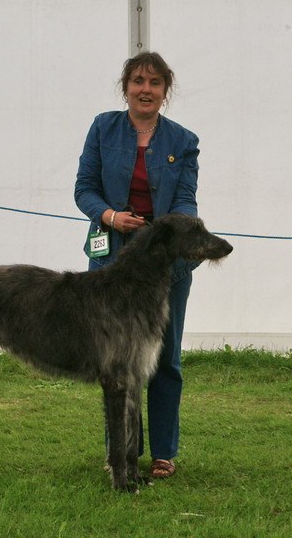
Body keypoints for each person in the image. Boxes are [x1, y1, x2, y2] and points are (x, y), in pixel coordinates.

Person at [75, 52, 200, 480]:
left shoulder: (183, 141)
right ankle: (120, 452)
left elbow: (185, 199)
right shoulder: (102, 127)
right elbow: (84, 189)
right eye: (138, 81)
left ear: (166, 90)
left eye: (155, 83)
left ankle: (163, 452)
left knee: (165, 359)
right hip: (110, 261)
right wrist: (109, 216)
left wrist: (164, 232)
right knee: (114, 364)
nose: (146, 90)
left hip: (164, 265)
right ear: (125, 86)